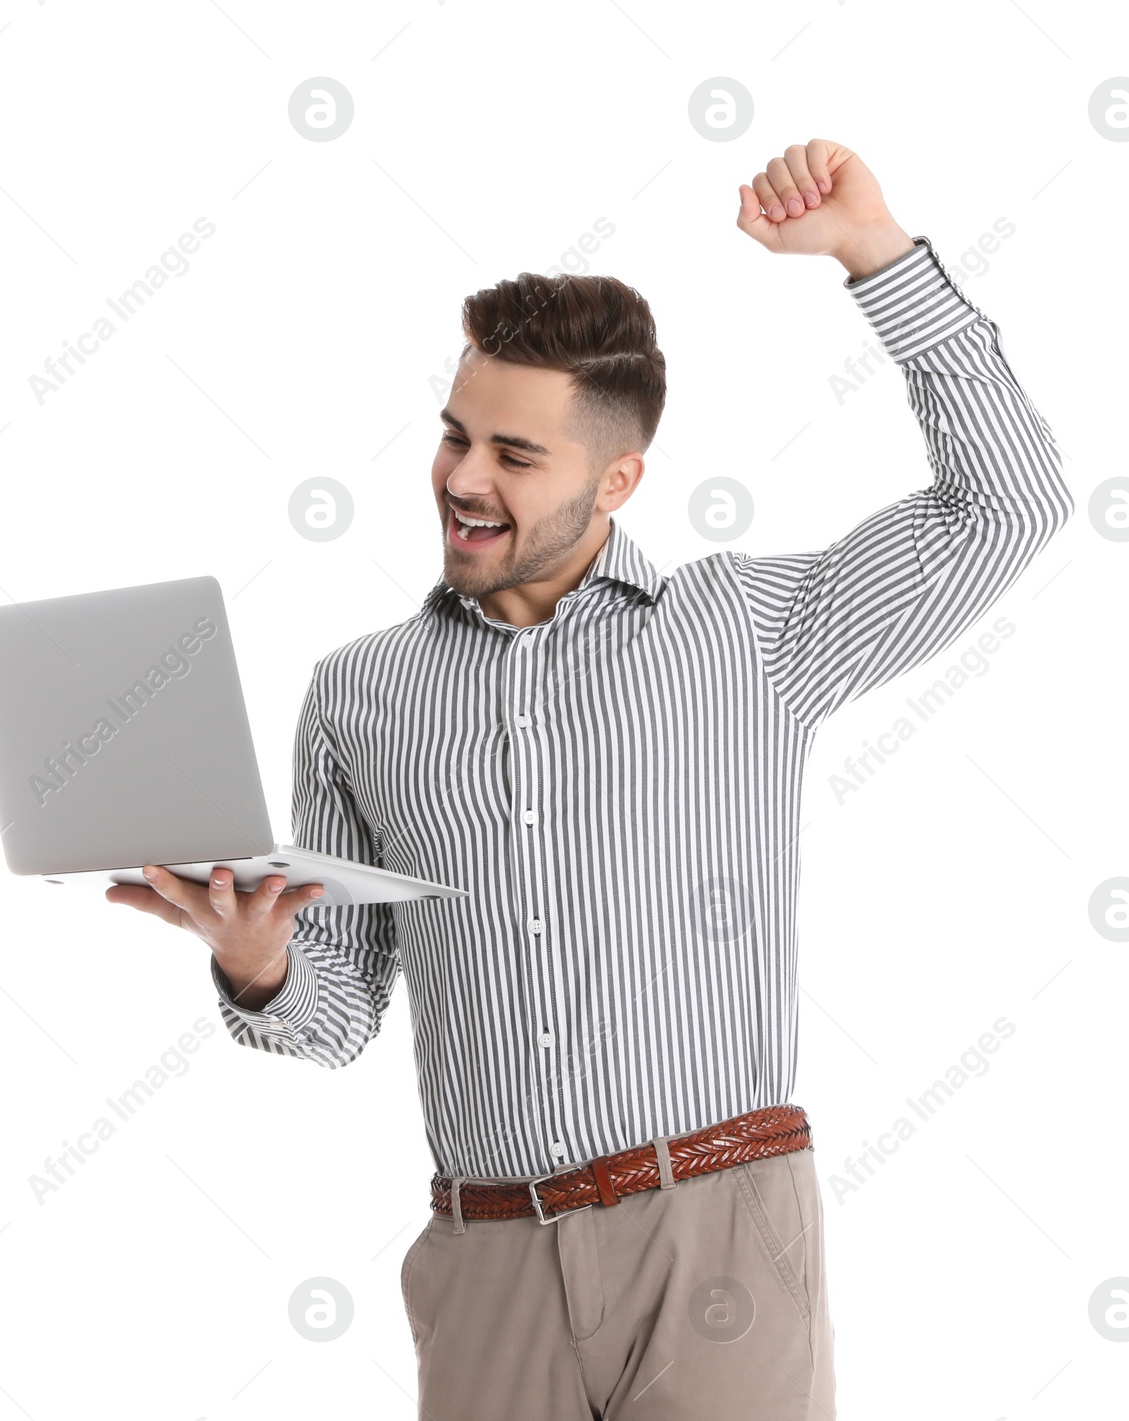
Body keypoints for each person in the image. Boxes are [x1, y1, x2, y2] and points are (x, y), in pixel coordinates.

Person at [107, 137, 1072, 1418]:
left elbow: (1008, 505)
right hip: (486, 1258)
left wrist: (873, 255)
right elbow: (338, 1015)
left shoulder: (746, 630)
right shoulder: (357, 693)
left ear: (616, 480)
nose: (460, 477)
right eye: (455, 436)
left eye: (515, 454)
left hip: (717, 1226)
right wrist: (255, 958)